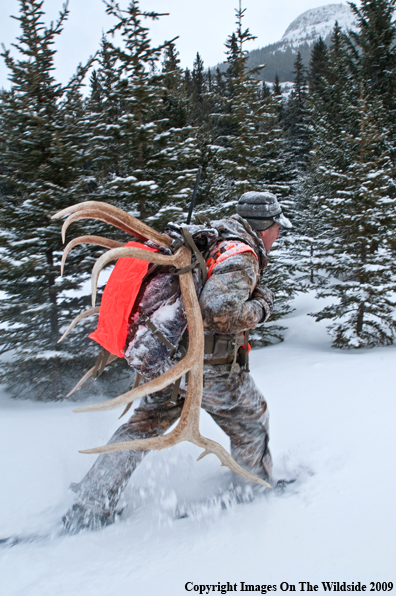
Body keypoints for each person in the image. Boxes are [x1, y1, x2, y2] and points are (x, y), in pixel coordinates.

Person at [63, 191, 292, 533]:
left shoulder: (215, 240)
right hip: (212, 368)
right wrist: (262, 306)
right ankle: (254, 486)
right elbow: (218, 313)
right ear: (264, 227)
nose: (279, 234)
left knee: (143, 425)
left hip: (169, 359)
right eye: (277, 227)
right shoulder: (242, 255)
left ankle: (93, 503)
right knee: (250, 417)